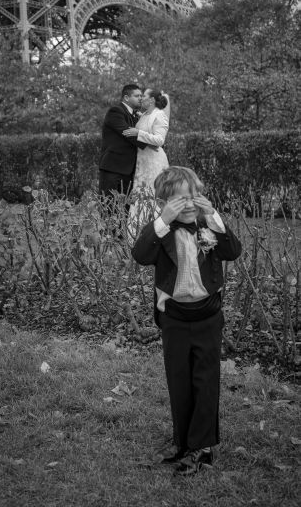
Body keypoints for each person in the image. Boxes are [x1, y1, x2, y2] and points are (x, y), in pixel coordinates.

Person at [131, 166, 242, 476]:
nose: (189, 203)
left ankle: (201, 448)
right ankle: (182, 441)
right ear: (163, 203)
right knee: (179, 380)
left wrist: (215, 217)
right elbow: (140, 254)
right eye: (180, 199)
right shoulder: (161, 229)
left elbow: (233, 250)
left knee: (205, 382)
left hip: (207, 316)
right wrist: (164, 220)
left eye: (193, 195)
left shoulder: (209, 225)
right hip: (175, 319)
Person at [123, 88, 170, 237]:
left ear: (152, 100)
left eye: (144, 96)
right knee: (139, 193)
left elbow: (160, 140)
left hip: (155, 161)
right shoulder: (143, 115)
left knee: (153, 194)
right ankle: (136, 234)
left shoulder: (160, 115)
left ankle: (157, 232)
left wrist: (139, 133)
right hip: (142, 161)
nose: (141, 98)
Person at [98, 84, 147, 204]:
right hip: (113, 168)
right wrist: (152, 143)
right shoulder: (116, 111)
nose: (141, 98)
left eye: (141, 95)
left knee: (125, 209)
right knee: (109, 206)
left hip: (128, 170)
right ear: (126, 97)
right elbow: (128, 133)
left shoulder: (136, 115)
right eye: (137, 96)